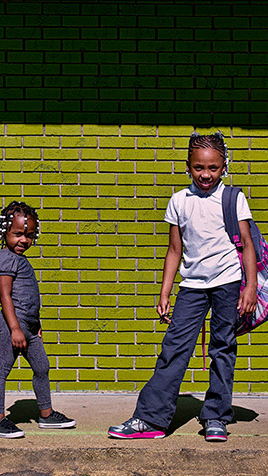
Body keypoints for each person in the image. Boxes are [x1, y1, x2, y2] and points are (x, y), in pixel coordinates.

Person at [107, 132, 257, 442]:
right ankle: (150, 419)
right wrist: (165, 291)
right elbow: (175, 249)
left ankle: (216, 417)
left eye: (213, 168)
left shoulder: (232, 198)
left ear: (224, 166)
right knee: (174, 349)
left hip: (228, 283)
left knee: (223, 349)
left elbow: (247, 246)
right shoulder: (179, 201)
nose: (206, 175)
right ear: (188, 166)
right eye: (199, 168)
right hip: (191, 285)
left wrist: (250, 286)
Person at [0, 201, 76, 438]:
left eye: (28, 235)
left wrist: (34, 326)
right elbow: (5, 296)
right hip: (13, 325)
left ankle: (46, 415)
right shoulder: (5, 259)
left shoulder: (21, 260)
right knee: (2, 370)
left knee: (42, 366)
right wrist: (15, 328)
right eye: (17, 234)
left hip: (29, 327)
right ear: (4, 231)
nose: (23, 241)